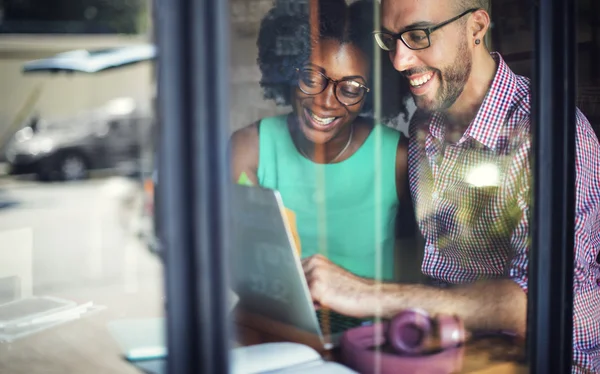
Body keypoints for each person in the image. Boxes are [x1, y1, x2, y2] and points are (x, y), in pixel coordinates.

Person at [302, 0, 600, 371]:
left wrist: (366, 294)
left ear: (475, 28)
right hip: (454, 354)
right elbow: (441, 275)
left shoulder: (551, 133)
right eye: (392, 39)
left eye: (417, 35)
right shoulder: (424, 128)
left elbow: (541, 302)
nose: (399, 60)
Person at [230, 0, 410, 281]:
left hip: (368, 323)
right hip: (272, 319)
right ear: (290, 72)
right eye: (313, 78)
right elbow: (236, 260)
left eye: (351, 88)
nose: (325, 103)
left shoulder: (397, 157)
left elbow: (418, 268)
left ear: (369, 95)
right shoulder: (249, 149)